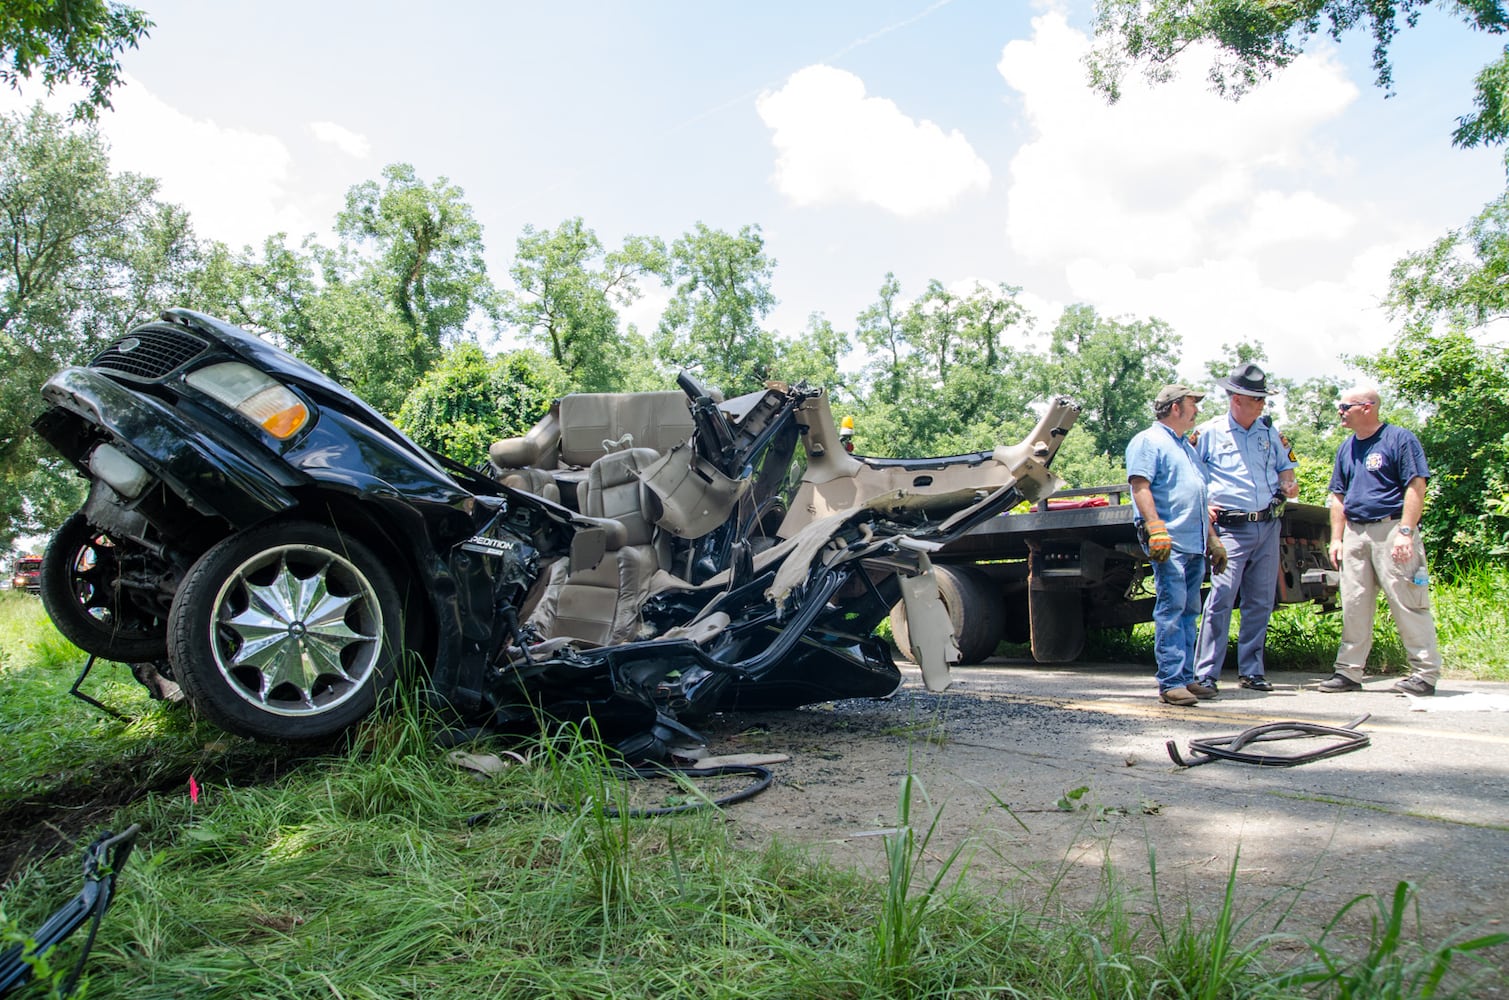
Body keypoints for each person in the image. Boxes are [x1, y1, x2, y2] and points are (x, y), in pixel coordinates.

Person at [1318, 385, 1442, 695]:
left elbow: (1416, 485)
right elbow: (1338, 497)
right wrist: (1337, 538)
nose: (1340, 412)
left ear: (1368, 407)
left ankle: (1424, 674)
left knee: (1408, 601)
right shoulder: (1346, 448)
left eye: (1346, 406)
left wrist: (1406, 531)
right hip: (1355, 533)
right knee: (1354, 604)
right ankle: (1349, 672)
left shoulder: (1399, 439)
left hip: (1391, 530)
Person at [1192, 363, 1299, 694]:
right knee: (1221, 598)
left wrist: (1289, 483)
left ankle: (1252, 670)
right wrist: (1202, 504)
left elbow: (1287, 470)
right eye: (1257, 399)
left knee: (1260, 600)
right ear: (1237, 398)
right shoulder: (1208, 433)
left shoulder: (1270, 433)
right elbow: (1191, 476)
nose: (1263, 405)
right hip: (1229, 528)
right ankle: (1206, 674)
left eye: (1263, 399)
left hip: (1267, 525)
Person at [1126, 385, 1229, 706]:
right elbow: (1139, 484)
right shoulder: (1149, 441)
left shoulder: (1186, 447)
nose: (1196, 410)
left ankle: (1185, 677)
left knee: (1189, 611)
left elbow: (1199, 498)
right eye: (1191, 404)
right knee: (1172, 610)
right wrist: (1155, 527)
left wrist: (1212, 539)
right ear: (1174, 408)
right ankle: (1171, 682)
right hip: (1169, 541)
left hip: (1193, 543)